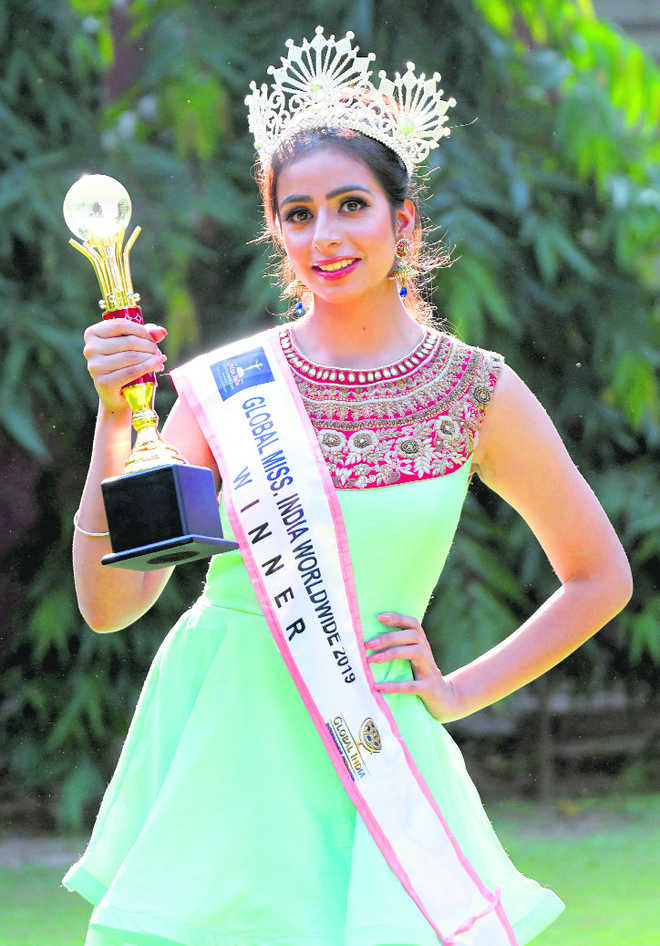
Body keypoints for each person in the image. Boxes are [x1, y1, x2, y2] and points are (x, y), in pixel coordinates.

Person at [61, 26, 633, 946]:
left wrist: (461, 692)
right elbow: (111, 605)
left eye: (351, 205)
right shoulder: (226, 393)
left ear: (404, 223)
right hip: (225, 755)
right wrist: (113, 418)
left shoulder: (476, 390)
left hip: (374, 748)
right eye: (298, 214)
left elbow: (600, 577)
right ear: (276, 231)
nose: (324, 236)